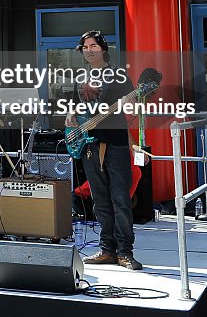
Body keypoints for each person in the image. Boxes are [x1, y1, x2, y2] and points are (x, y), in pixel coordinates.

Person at [66, 30, 142, 270]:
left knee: (120, 198)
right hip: (88, 142)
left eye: (93, 45)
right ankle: (107, 249)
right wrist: (71, 113)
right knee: (99, 199)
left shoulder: (118, 74)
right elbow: (76, 103)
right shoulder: (80, 76)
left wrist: (132, 102)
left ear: (103, 48)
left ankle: (125, 251)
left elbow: (133, 105)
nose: (89, 50)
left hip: (115, 141)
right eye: (85, 46)